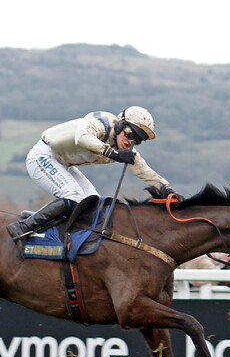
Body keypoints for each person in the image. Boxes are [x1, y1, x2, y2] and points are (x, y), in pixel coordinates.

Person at [7, 106, 177, 254]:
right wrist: (113, 154)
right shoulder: (101, 121)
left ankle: (51, 227)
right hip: (43, 155)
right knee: (73, 195)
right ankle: (23, 227)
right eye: (130, 133)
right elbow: (82, 137)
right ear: (120, 124)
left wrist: (168, 191)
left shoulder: (123, 147)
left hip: (63, 163)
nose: (131, 141)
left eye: (138, 140)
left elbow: (145, 172)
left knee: (94, 203)